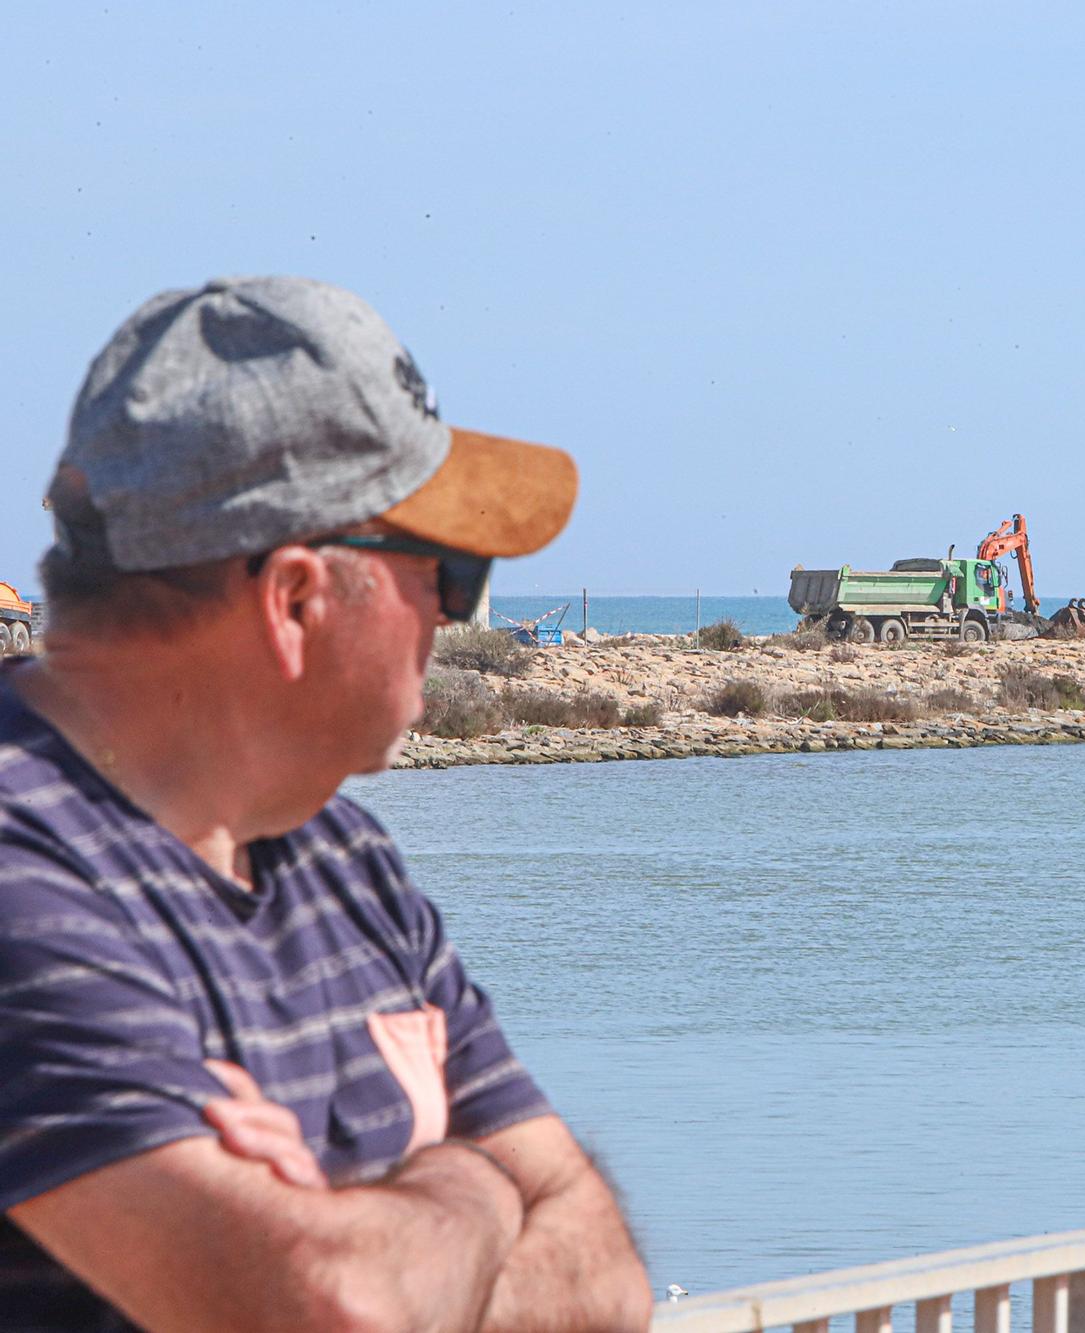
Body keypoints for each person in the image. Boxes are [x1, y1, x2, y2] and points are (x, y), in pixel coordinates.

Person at [0, 277, 654, 1330]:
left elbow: (607, 1286)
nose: (453, 616)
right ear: (297, 598)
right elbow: (332, 1311)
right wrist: (474, 1181)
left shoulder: (342, 858)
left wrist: (367, 1222)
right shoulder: (21, 873)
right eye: (450, 569)